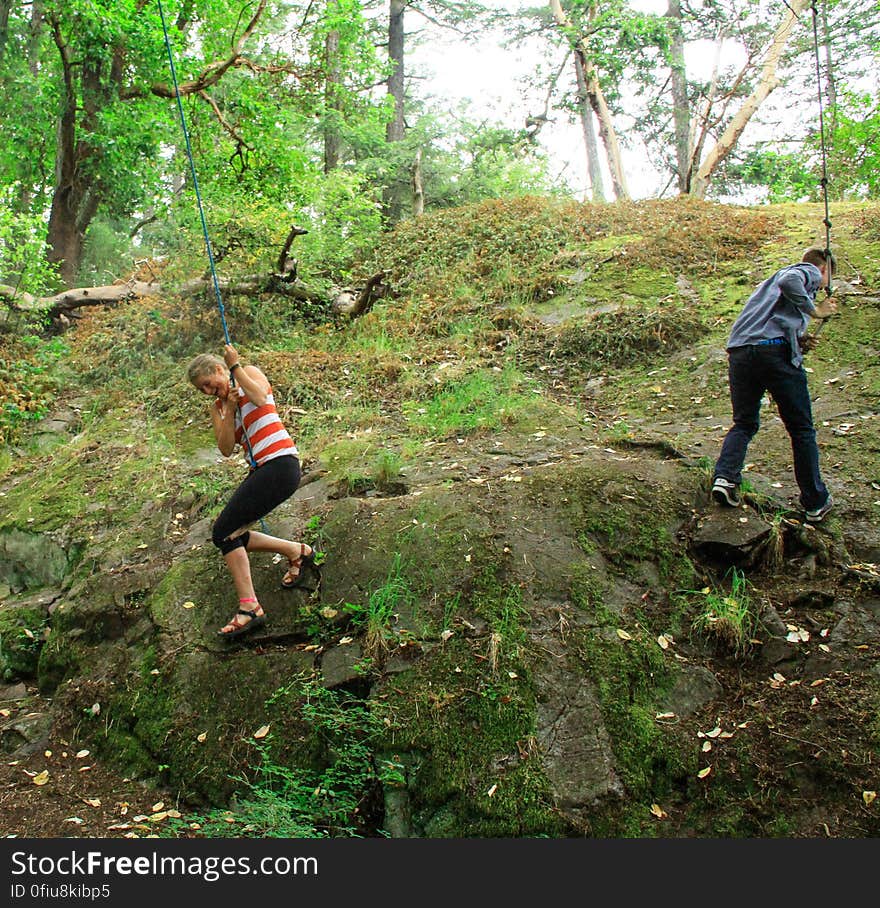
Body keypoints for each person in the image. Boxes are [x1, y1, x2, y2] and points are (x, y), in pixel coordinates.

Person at [187, 344, 315, 639]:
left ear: (218, 369)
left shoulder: (247, 374)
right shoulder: (218, 407)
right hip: (262, 470)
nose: (208, 391)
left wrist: (235, 367)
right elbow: (226, 448)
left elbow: (260, 398)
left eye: (209, 384)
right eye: (201, 390)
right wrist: (229, 407)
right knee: (228, 534)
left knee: (224, 532)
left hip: (280, 463)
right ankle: (297, 552)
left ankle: (250, 608)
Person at [711, 246, 838, 522]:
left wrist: (799, 339)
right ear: (824, 269)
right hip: (772, 353)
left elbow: (771, 323)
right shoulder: (805, 271)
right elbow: (790, 282)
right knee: (802, 429)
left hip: (741, 353)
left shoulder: (766, 290)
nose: (823, 286)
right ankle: (815, 501)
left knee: (744, 422)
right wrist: (816, 310)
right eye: (827, 280)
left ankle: (725, 478)